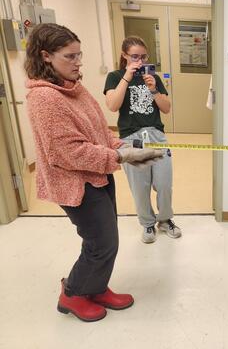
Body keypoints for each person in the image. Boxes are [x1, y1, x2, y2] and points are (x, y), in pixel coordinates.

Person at [25, 23, 164, 322]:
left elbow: (97, 133)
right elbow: (69, 152)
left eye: (79, 55)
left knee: (107, 238)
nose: (78, 63)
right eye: (70, 57)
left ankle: (96, 288)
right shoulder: (45, 99)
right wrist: (119, 155)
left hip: (97, 174)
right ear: (46, 56)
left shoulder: (73, 88)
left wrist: (124, 146)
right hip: (75, 182)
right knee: (100, 242)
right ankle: (72, 293)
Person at [104, 36, 181, 244]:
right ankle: (147, 223)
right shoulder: (114, 76)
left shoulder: (152, 77)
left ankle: (165, 220)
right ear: (124, 56)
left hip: (156, 135)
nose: (140, 61)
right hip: (131, 137)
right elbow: (112, 105)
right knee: (140, 187)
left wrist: (154, 89)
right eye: (134, 56)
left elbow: (166, 108)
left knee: (164, 184)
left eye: (143, 56)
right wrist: (127, 77)